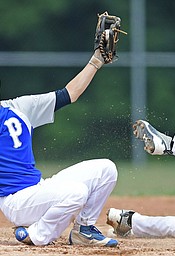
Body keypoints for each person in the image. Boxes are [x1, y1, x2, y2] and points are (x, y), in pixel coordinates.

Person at [0, 28, 121, 246]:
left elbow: (69, 94)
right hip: (15, 202)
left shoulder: (19, 107)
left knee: (106, 169)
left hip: (38, 190)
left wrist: (96, 61)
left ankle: (84, 230)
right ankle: (36, 235)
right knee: (77, 192)